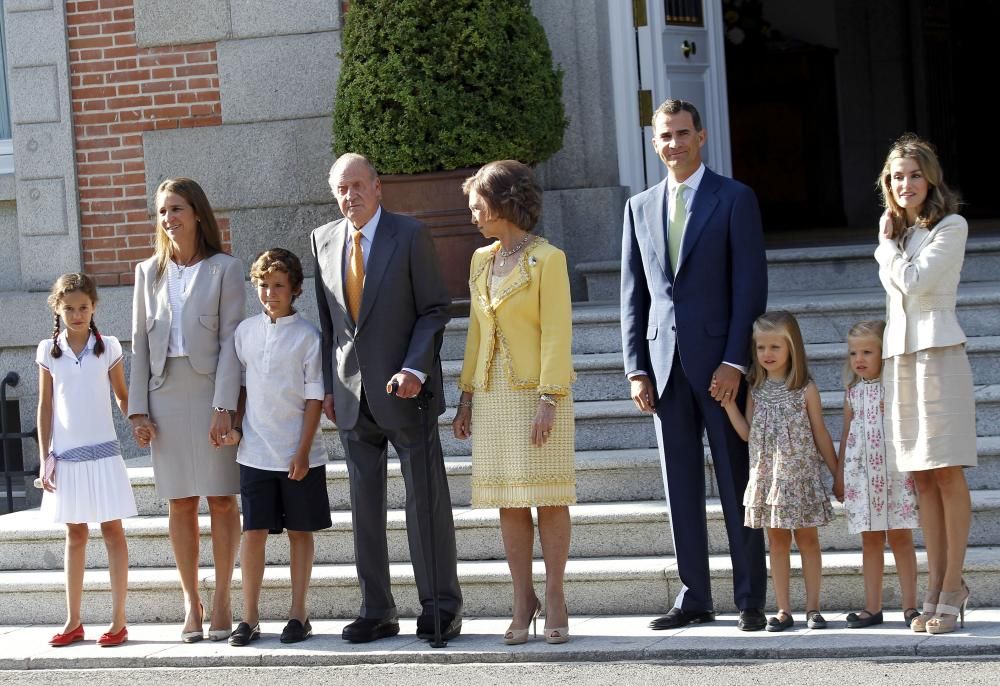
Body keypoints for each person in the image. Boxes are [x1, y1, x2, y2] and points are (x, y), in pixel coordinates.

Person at [619, 98, 769, 631]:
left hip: (720, 367)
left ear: (701, 137)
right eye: (664, 136)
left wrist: (735, 361)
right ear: (654, 142)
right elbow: (633, 295)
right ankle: (694, 597)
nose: (673, 144)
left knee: (735, 482)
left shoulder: (734, 198)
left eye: (683, 133)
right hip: (664, 369)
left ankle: (751, 597)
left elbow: (750, 287)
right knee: (679, 485)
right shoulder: (638, 207)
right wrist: (637, 367)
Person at [312, 153, 462, 643]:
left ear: (378, 188)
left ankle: (440, 607)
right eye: (341, 188)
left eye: (358, 185)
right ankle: (376, 609)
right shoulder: (323, 239)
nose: (349, 196)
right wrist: (328, 387)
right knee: (364, 508)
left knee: (425, 503)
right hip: (353, 397)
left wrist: (415, 366)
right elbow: (329, 325)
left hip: (408, 393)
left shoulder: (410, 234)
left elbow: (435, 309)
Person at [452, 160, 576, 645]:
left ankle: (556, 593)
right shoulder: (480, 260)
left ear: (503, 203)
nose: (472, 214)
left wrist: (549, 397)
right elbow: (476, 331)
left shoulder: (548, 259)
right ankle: (522, 597)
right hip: (494, 393)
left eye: (478, 204)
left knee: (549, 496)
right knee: (508, 500)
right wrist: (465, 396)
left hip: (540, 392)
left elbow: (556, 332)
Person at [129, 177, 245, 643]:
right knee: (179, 500)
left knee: (220, 496)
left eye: (176, 208)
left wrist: (224, 405)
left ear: (197, 212)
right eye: (162, 211)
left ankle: (221, 600)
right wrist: (137, 409)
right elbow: (137, 342)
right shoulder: (147, 272)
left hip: (211, 391)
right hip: (165, 394)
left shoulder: (226, 268)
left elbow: (232, 342)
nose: (169, 218)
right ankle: (190, 601)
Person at [874, 134, 977, 634]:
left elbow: (915, 282)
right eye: (896, 177)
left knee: (947, 473)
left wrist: (884, 246)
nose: (905, 184)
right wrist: (892, 243)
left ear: (930, 177)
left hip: (939, 355)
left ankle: (953, 586)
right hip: (901, 359)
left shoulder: (950, 226)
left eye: (914, 174)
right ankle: (935, 587)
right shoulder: (901, 235)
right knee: (920, 477)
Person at [224, 249, 330, 646]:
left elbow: (315, 397)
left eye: (279, 286)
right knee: (252, 532)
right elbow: (241, 386)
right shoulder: (245, 332)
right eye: (264, 285)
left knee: (300, 532)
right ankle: (248, 617)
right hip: (254, 452)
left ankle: (299, 614)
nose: (270, 293)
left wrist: (302, 451)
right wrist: (235, 426)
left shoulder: (308, 337)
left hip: (298, 454)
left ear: (295, 289)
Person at [721, 311, 841, 632]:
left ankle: (813, 608)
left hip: (800, 479)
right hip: (768, 481)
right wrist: (730, 405)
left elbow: (820, 433)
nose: (767, 354)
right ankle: (784, 609)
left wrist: (837, 472)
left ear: (792, 349)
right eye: (761, 347)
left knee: (808, 541)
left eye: (775, 347)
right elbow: (747, 434)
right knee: (776, 543)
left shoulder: (805, 389)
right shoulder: (755, 389)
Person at [36, 273, 137, 647]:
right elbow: (45, 406)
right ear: (58, 310)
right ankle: (73, 620)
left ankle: (118, 621)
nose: (77, 314)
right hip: (67, 456)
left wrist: (139, 421)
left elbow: (122, 396)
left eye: (83, 307)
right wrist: (45, 455)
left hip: (104, 454)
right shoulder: (48, 350)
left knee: (113, 531)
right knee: (75, 532)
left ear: (93, 307)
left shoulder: (107, 347)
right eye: (69, 308)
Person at [837, 320, 919, 629]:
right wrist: (839, 474)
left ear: (884, 354)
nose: (859, 359)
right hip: (862, 479)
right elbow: (847, 434)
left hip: (894, 474)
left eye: (867, 352)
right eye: (853, 353)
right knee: (870, 541)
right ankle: (873, 607)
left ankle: (911, 606)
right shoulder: (852, 392)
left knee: (901, 537)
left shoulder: (895, 388)